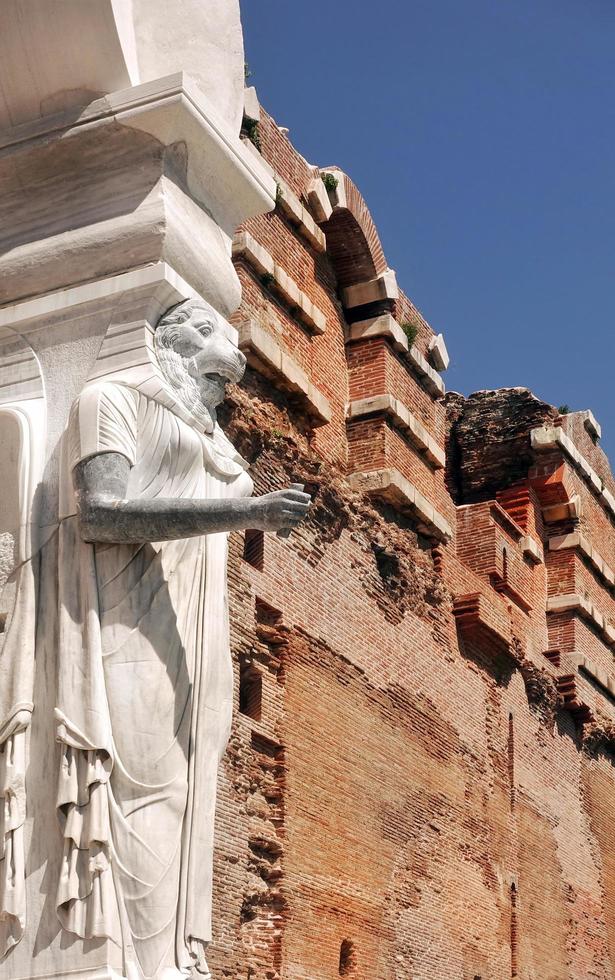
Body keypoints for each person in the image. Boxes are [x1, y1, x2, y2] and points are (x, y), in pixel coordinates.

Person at [54, 298, 310, 980]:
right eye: (216, 380)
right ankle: (119, 962)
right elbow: (100, 513)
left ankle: (171, 959)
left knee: (190, 789)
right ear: (174, 344)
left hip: (195, 626)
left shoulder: (208, 438)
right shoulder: (110, 397)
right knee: (146, 786)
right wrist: (245, 511)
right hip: (119, 614)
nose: (224, 397)